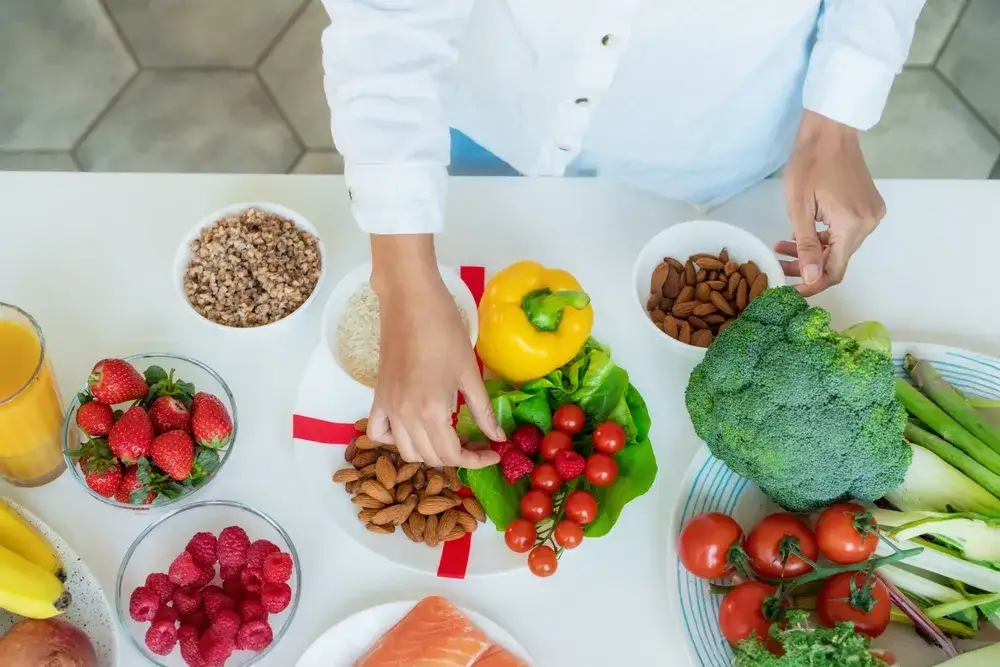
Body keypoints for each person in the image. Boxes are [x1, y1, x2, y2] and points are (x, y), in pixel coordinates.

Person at [319, 0, 925, 467]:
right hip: (499, 104)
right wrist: (403, 278)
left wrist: (837, 119)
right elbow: (385, 25)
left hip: (722, 134)